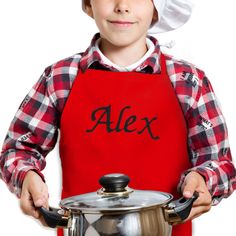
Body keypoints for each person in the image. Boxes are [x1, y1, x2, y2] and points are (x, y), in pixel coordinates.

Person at [0, 0, 235, 235]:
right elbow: (18, 149)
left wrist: (203, 179)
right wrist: (27, 176)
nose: (123, 5)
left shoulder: (187, 80)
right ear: (88, 5)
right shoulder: (61, 77)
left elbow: (220, 163)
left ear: (157, 10)